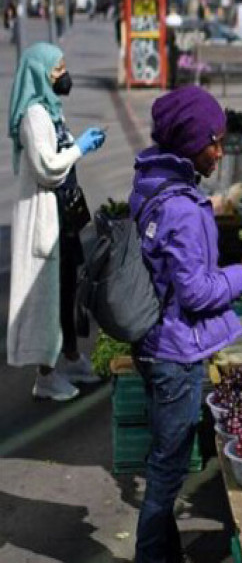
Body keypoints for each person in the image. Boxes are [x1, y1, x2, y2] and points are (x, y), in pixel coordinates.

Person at [128, 85, 242, 563]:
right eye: (213, 142)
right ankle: (151, 556)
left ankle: (164, 552)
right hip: (176, 352)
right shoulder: (180, 207)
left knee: (166, 458)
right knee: (167, 467)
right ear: (187, 142)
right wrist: (239, 277)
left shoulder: (152, 183)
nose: (220, 152)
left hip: (156, 340)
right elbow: (197, 291)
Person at [7, 43, 106, 400]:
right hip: (44, 220)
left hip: (62, 218)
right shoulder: (34, 116)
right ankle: (45, 376)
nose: (64, 74)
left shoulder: (51, 109)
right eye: (57, 69)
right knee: (47, 299)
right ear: (40, 73)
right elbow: (47, 168)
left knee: (66, 291)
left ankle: (71, 357)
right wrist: (80, 147)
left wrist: (77, 145)